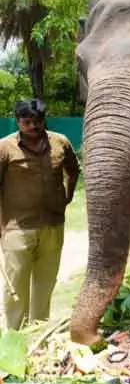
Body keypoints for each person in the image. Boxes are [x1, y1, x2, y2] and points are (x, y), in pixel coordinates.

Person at [0, 98, 80, 329]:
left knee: (45, 285)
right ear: (17, 121)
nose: (34, 126)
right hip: (17, 228)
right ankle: (14, 337)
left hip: (53, 225)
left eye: (38, 121)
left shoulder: (60, 142)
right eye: (27, 122)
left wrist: (68, 196)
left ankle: (39, 336)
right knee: (16, 287)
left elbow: (73, 172)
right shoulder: (5, 147)